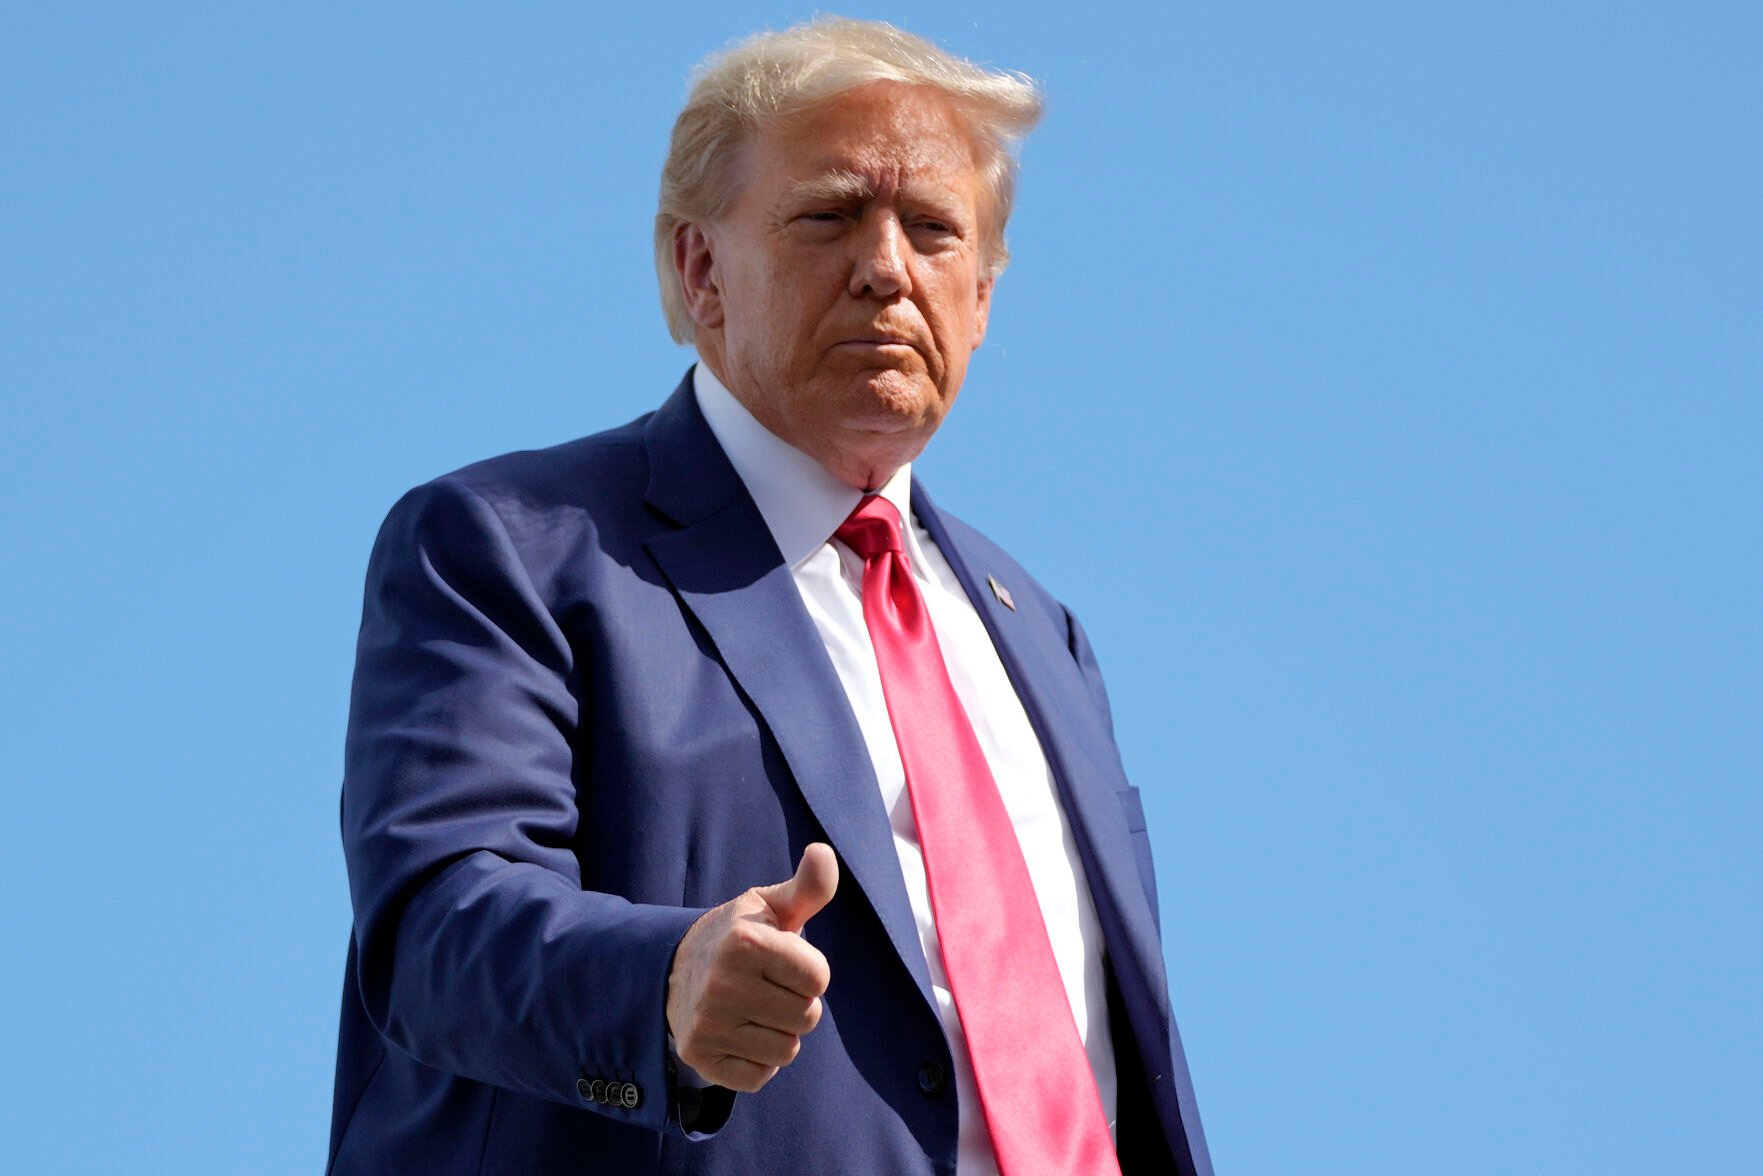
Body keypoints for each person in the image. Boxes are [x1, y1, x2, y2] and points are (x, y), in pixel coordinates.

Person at [328, 16, 1212, 1176]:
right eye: (830, 214)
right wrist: (665, 982)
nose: (886, 267)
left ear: (983, 298)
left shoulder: (1038, 635)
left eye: (934, 231)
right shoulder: (511, 546)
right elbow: (439, 929)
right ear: (700, 271)